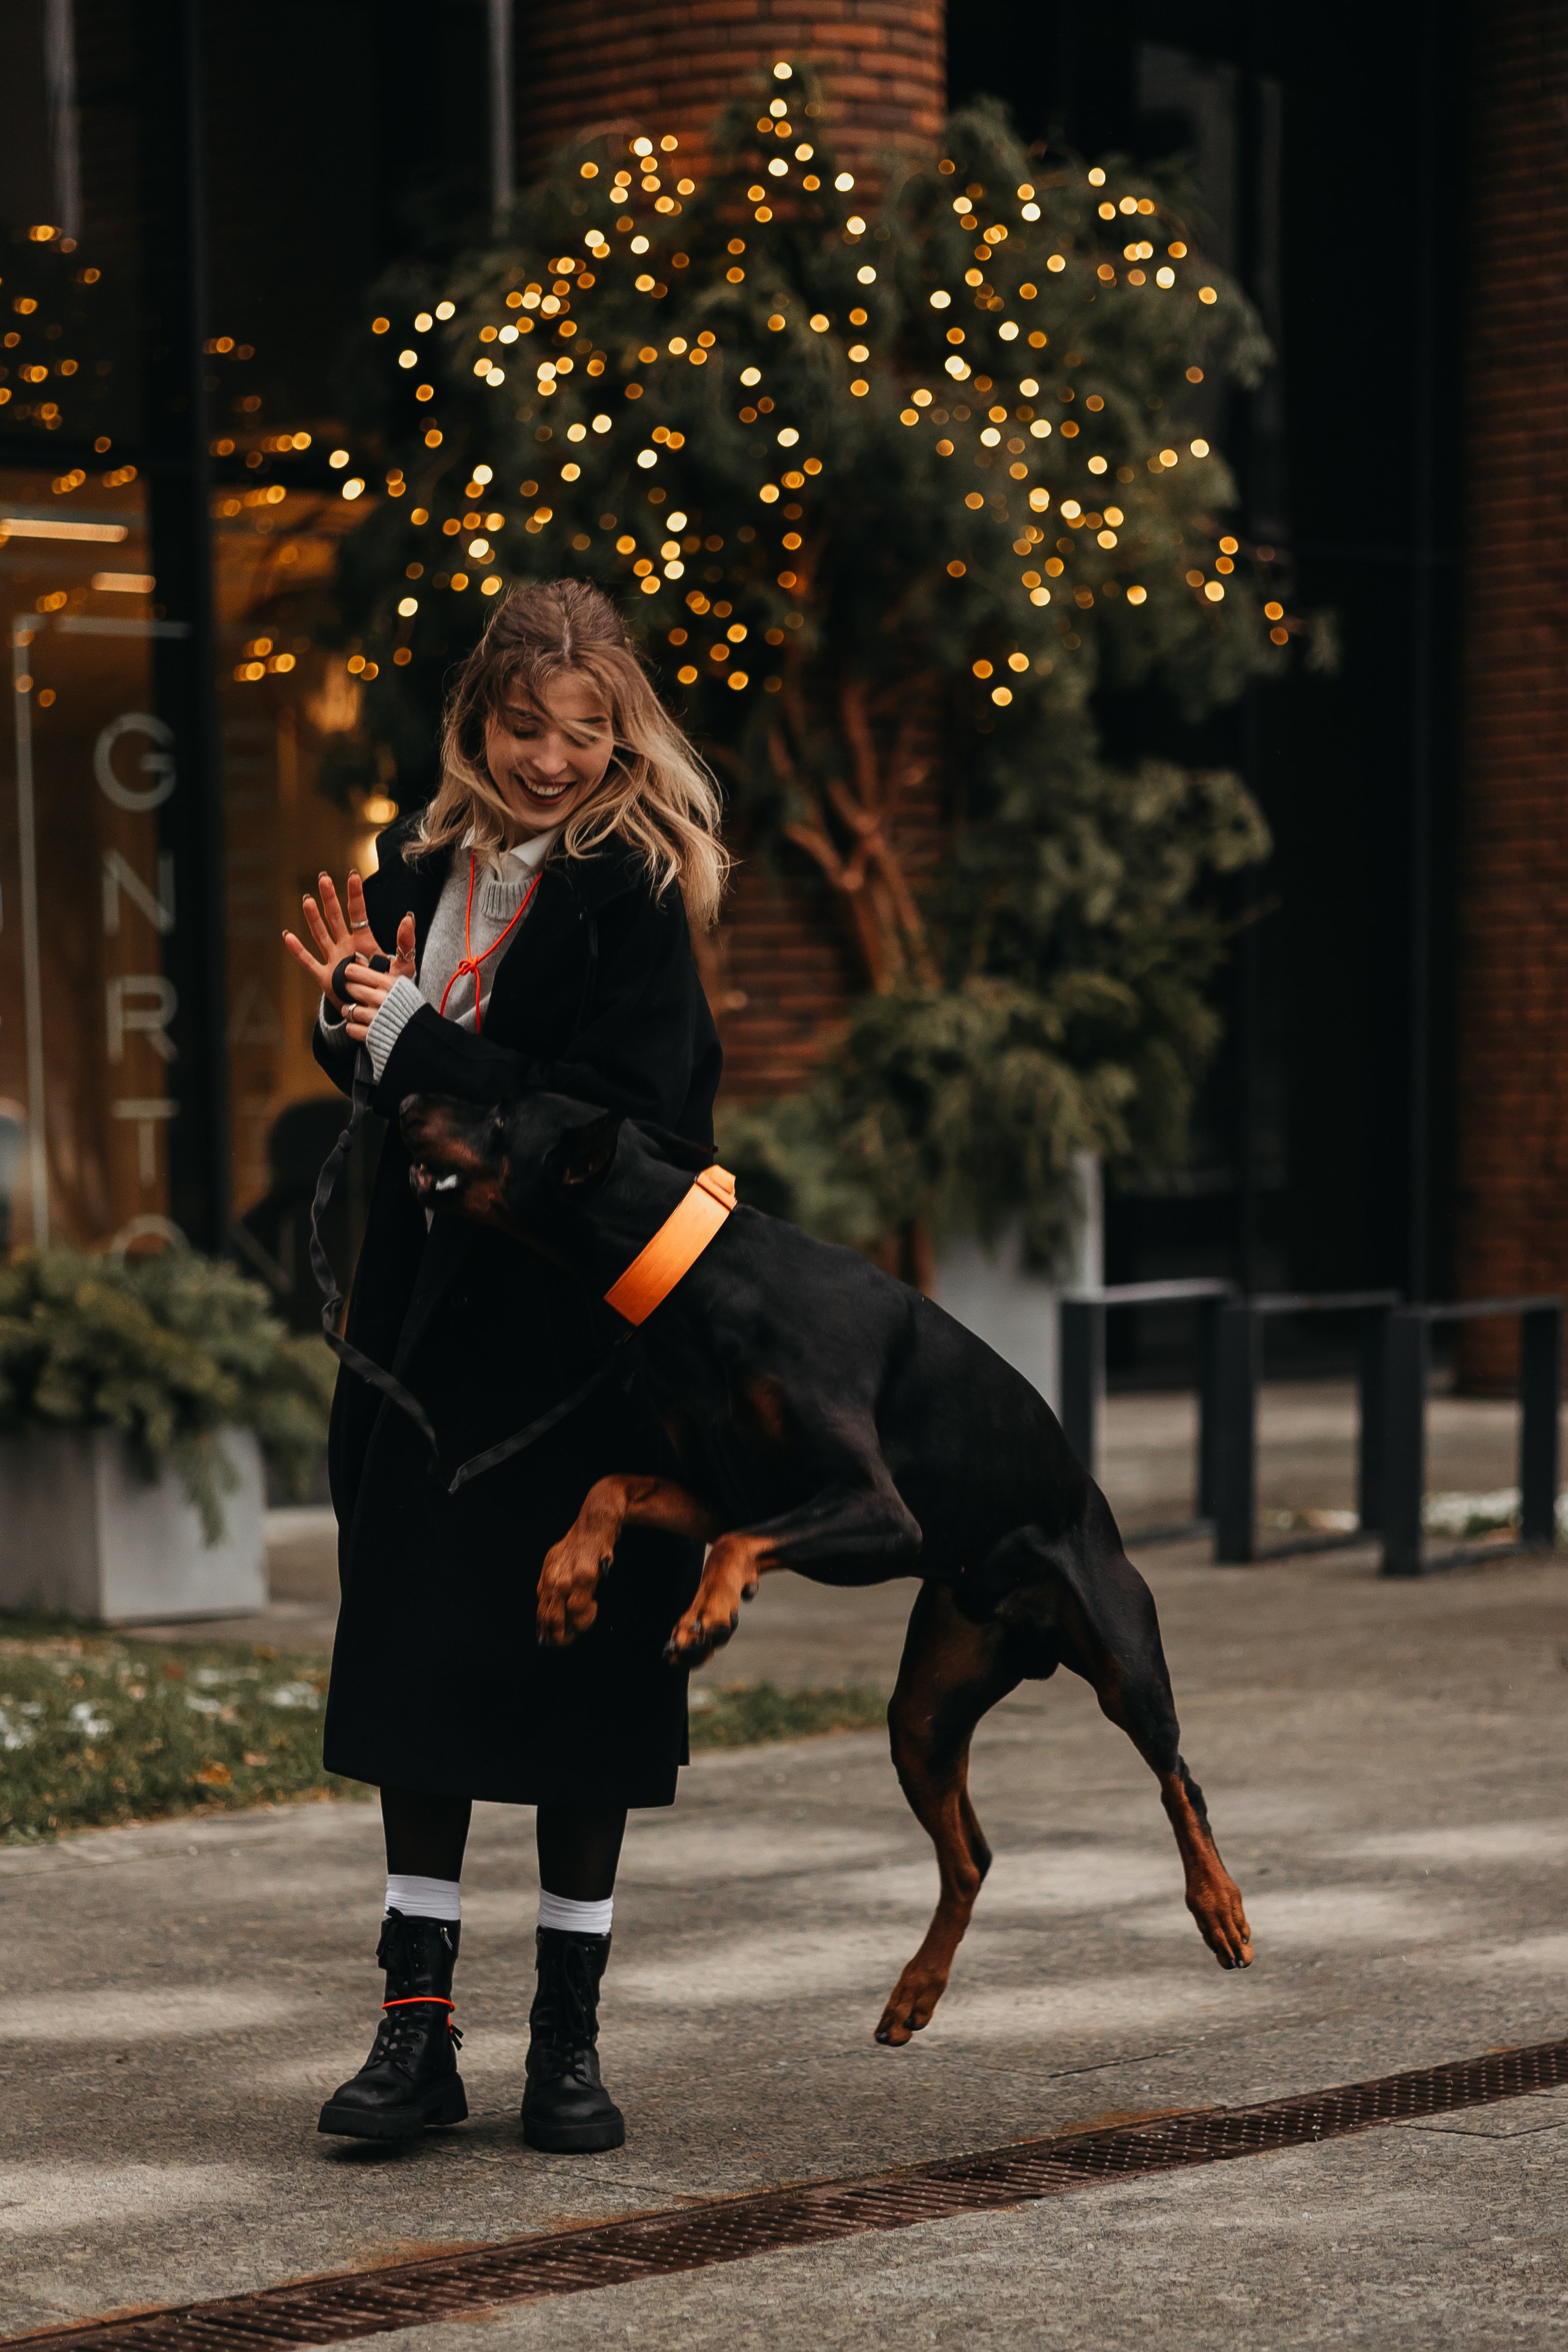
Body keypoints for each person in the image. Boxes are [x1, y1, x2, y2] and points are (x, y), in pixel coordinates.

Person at [284, 581, 725, 2153]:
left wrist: (414, 1038)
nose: (549, 759)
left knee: (578, 1688)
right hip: (418, 1349)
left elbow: (621, 1127)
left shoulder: (628, 896)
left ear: (623, 740)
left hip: (571, 1360)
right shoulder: (420, 871)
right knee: (416, 1674)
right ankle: (415, 2035)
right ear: (477, 721)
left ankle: (566, 2048)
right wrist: (353, 1023)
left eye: (583, 732)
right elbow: (392, 1078)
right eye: (524, 727)